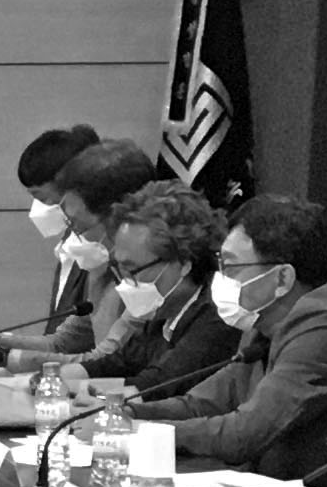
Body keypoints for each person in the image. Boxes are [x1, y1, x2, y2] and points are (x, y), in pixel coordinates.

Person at [120, 193, 327, 482]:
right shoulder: (264, 323)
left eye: (231, 267)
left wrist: (142, 432)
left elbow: (243, 435)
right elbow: (202, 404)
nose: (219, 277)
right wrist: (128, 412)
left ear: (282, 278)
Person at [54, 158, 228, 393]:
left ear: (184, 264)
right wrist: (46, 380)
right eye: (119, 268)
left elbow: (156, 385)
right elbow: (116, 363)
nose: (125, 281)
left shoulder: (215, 317)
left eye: (132, 269)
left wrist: (76, 388)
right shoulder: (164, 312)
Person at [12, 123, 100, 339]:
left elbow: (81, 342)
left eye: (40, 197)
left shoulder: (98, 252)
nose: (38, 207)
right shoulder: (70, 243)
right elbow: (58, 333)